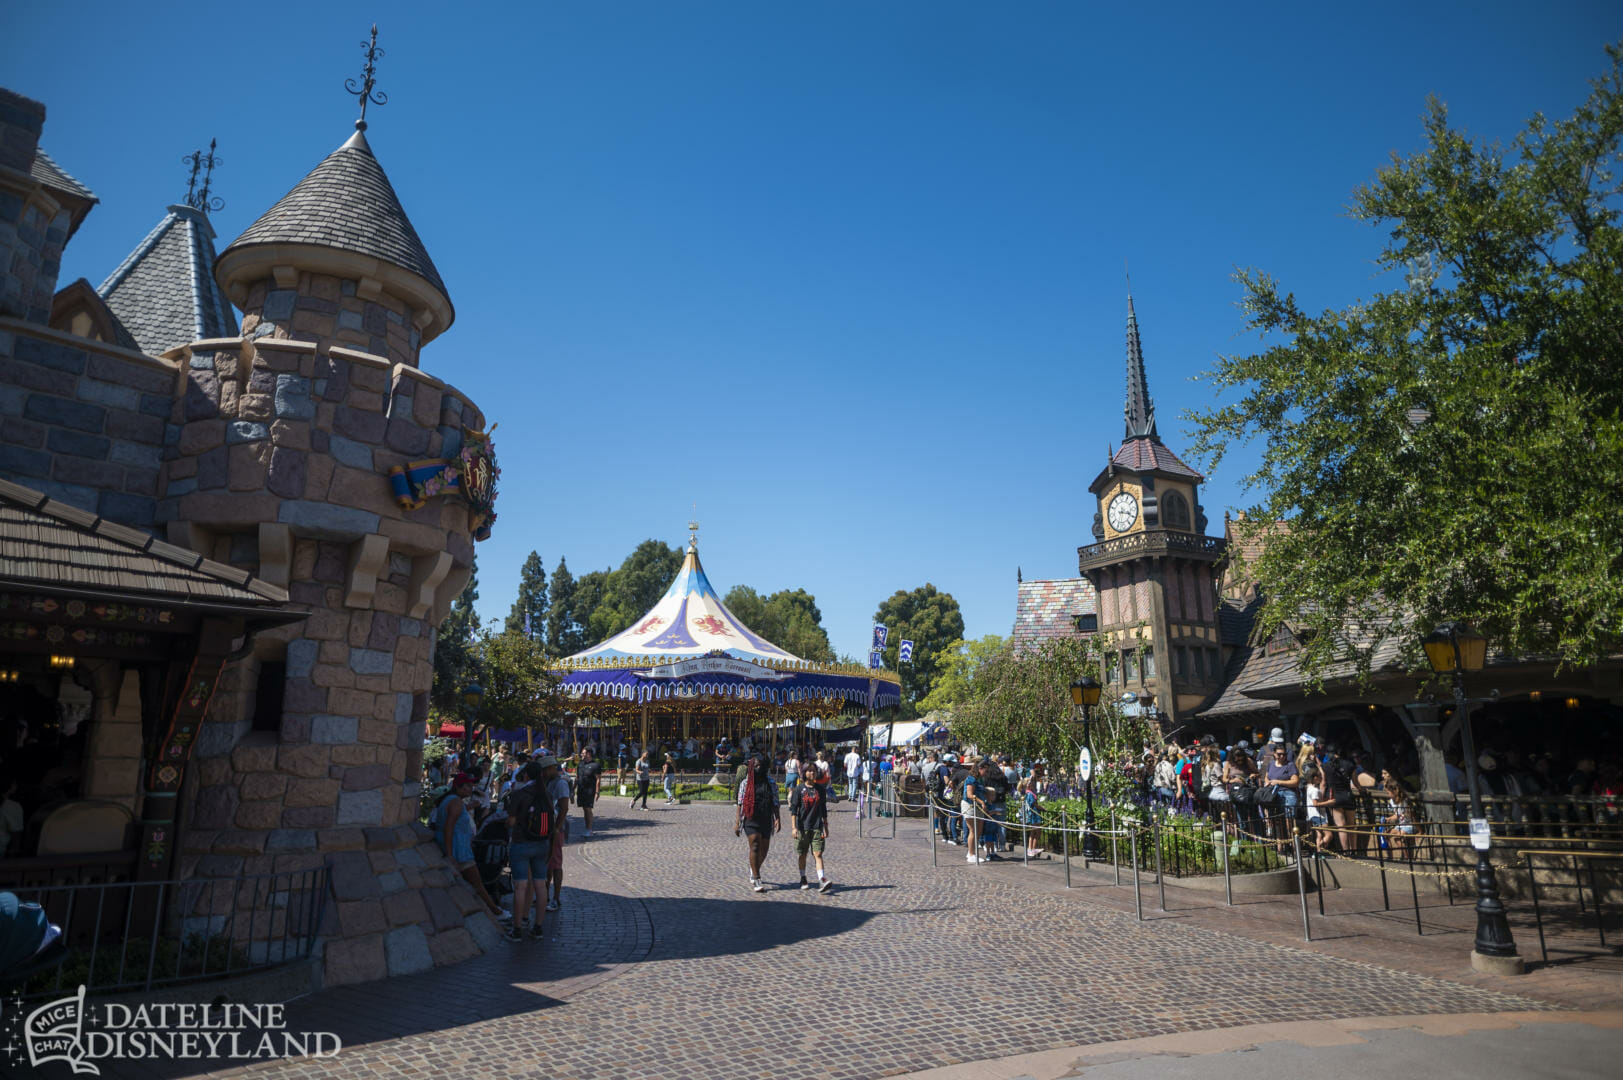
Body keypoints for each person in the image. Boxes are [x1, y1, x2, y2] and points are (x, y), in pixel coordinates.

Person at [430, 773, 503, 920]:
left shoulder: (452, 801)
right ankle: (496, 912)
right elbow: (448, 827)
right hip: (459, 851)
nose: (471, 788)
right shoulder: (455, 802)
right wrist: (450, 854)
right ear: (458, 787)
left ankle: (494, 911)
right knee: (478, 884)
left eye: (472, 785)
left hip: (458, 849)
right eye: (468, 786)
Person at [503, 762, 550, 940]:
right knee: (540, 885)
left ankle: (517, 928)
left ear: (525, 776)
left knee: (520, 886)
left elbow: (512, 821)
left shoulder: (520, 794)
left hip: (521, 843)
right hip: (542, 844)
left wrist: (507, 823)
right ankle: (538, 927)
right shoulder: (546, 794)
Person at [734, 754, 782, 891]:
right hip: (750, 817)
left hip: (766, 817)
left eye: (760, 765)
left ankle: (753, 867)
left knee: (764, 850)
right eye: (755, 766)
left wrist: (777, 818)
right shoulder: (745, 783)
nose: (758, 768)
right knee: (755, 843)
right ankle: (756, 878)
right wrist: (737, 822)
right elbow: (739, 803)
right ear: (750, 767)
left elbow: (775, 801)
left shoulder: (770, 782)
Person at [536, 752, 571, 912]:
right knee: (548, 863)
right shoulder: (548, 781)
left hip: (556, 829)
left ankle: (556, 898)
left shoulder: (560, 783)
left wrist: (557, 828)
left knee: (555, 863)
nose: (542, 773)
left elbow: (564, 807)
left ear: (551, 768)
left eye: (544, 770)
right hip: (547, 827)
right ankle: (545, 895)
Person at [791, 763, 833, 892]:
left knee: (818, 853)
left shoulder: (820, 789)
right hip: (802, 827)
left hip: (817, 826)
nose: (812, 773)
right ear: (804, 773)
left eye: (814, 771)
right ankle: (803, 877)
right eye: (809, 771)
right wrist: (794, 827)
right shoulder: (799, 789)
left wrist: (825, 825)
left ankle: (822, 879)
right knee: (802, 854)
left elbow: (823, 809)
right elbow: (793, 810)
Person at [960, 757, 988, 864]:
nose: (987, 772)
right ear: (980, 768)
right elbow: (969, 795)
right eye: (986, 769)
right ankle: (971, 854)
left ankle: (971, 852)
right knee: (973, 830)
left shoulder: (980, 779)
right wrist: (981, 802)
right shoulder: (971, 779)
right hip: (970, 806)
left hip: (978, 807)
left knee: (978, 831)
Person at [575, 747, 601, 837]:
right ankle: (588, 828)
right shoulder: (580, 764)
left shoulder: (595, 765)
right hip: (581, 789)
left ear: (588, 754)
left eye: (583, 753)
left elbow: (598, 779)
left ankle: (589, 830)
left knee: (588, 809)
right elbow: (577, 777)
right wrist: (573, 789)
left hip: (590, 790)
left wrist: (597, 792)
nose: (581, 754)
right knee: (585, 809)